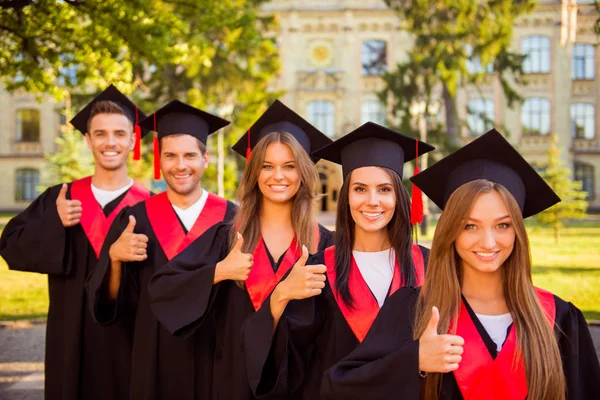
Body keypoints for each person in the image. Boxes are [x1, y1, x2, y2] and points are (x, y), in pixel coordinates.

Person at [321, 129, 600, 400]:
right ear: (451, 231)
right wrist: (413, 360)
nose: (488, 242)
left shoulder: (559, 319)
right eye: (470, 226)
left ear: (518, 231)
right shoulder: (411, 310)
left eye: (503, 225)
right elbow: (339, 386)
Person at [147, 99, 334, 399]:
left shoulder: (325, 246)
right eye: (267, 166)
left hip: (301, 387)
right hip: (231, 383)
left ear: (304, 173)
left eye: (289, 166)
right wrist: (218, 271)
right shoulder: (226, 239)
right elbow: (163, 289)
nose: (278, 176)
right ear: (254, 172)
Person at [242, 122, 435, 399]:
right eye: (359, 189)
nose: (372, 201)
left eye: (384, 189)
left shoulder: (427, 266)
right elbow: (285, 361)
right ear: (346, 197)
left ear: (399, 196)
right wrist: (280, 296)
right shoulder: (317, 270)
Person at [0, 85, 151, 400]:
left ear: (133, 140)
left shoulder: (150, 207)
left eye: (119, 134)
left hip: (130, 341)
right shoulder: (62, 198)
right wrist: (52, 223)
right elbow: (11, 246)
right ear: (88, 139)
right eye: (100, 134)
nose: (110, 142)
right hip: (70, 342)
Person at [85, 100, 235, 400]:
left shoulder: (233, 218)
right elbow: (110, 305)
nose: (180, 165)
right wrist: (114, 259)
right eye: (171, 156)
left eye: (190, 155)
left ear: (205, 158)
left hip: (215, 354)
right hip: (153, 356)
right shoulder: (134, 220)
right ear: (160, 160)